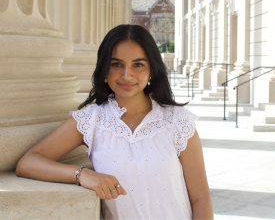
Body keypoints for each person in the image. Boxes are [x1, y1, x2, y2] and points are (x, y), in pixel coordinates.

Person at [16, 24, 213, 220]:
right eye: (117, 64)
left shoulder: (177, 121)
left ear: (151, 70)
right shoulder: (92, 120)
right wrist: (81, 175)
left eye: (138, 64)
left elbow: (201, 199)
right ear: (104, 69)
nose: (127, 75)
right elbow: (28, 163)